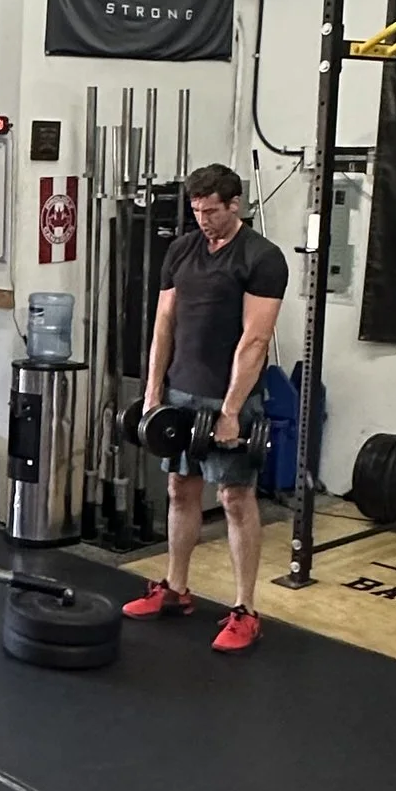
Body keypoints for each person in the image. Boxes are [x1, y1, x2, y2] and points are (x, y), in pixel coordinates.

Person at [125, 163, 287, 651]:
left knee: (236, 499)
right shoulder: (181, 249)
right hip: (180, 393)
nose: (203, 219)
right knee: (179, 489)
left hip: (228, 397)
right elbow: (164, 324)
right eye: (196, 210)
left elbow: (255, 339)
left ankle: (244, 609)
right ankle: (175, 588)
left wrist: (232, 409)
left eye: (211, 211)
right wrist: (154, 391)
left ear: (235, 205)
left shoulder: (262, 257)